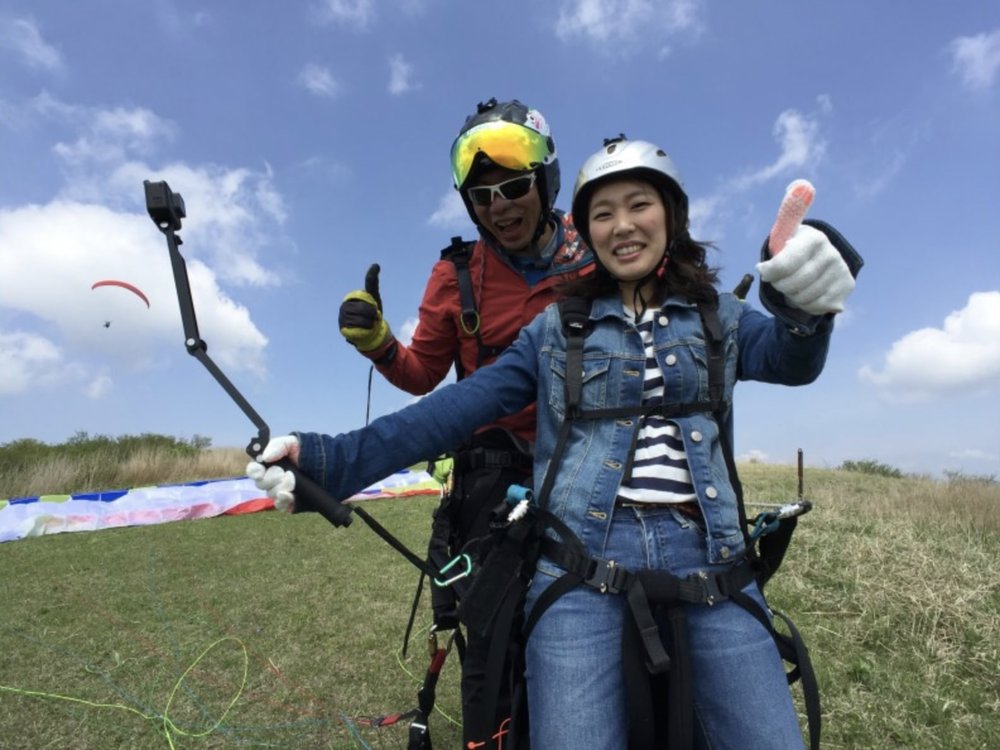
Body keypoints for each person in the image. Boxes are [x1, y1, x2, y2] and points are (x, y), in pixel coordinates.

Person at [250, 136, 862, 749]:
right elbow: (455, 409)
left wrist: (801, 305)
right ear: (587, 233)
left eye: (639, 205)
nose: (622, 225)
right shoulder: (553, 331)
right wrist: (331, 461)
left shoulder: (718, 318)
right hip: (580, 559)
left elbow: (791, 357)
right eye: (603, 213)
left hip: (713, 557)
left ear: (671, 217)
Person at [336, 97, 593, 745]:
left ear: (545, 182)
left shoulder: (599, 255)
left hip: (590, 468)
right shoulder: (455, 275)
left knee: (597, 624)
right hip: (491, 485)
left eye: (512, 188)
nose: (499, 205)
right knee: (493, 642)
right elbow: (423, 373)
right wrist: (379, 346)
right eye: (482, 196)